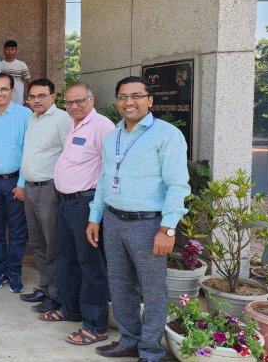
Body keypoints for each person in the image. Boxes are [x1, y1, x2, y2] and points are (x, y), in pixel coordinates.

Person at [88, 77, 189, 362]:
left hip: (149, 224)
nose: (128, 102)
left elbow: (177, 185)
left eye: (136, 96)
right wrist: (95, 217)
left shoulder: (166, 135)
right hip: (113, 220)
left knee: (153, 289)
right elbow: (104, 179)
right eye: (122, 97)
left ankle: (151, 350)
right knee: (120, 285)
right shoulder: (113, 136)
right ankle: (129, 340)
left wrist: (167, 229)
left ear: (150, 100)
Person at [37, 82, 115, 346]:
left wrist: (97, 212)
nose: (74, 106)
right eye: (69, 102)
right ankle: (71, 309)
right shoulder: (74, 124)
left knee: (91, 264)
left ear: (91, 99)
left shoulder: (102, 126)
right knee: (67, 257)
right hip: (67, 202)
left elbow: (109, 170)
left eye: (79, 101)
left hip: (87, 204)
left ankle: (95, 325)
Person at [20, 78, 72, 313]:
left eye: (42, 96)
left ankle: (57, 294)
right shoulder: (32, 118)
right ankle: (44, 286)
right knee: (38, 242)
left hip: (50, 189)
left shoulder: (62, 120)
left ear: (53, 96)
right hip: (31, 187)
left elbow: (70, 155)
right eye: (33, 96)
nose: (37, 100)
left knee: (53, 243)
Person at [0, 73, 32, 293]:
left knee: (18, 231)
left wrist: (22, 183)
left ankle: (15, 271)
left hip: (16, 181)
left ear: (12, 91)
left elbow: (29, 151)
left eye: (4, 89)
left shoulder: (25, 114)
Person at [0, 40, 31, 105]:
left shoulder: (22, 65)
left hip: (18, 102)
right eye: (7, 49)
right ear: (4, 50)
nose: (10, 52)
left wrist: (28, 100)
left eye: (12, 49)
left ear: (16, 50)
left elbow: (29, 84)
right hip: (2, 101)